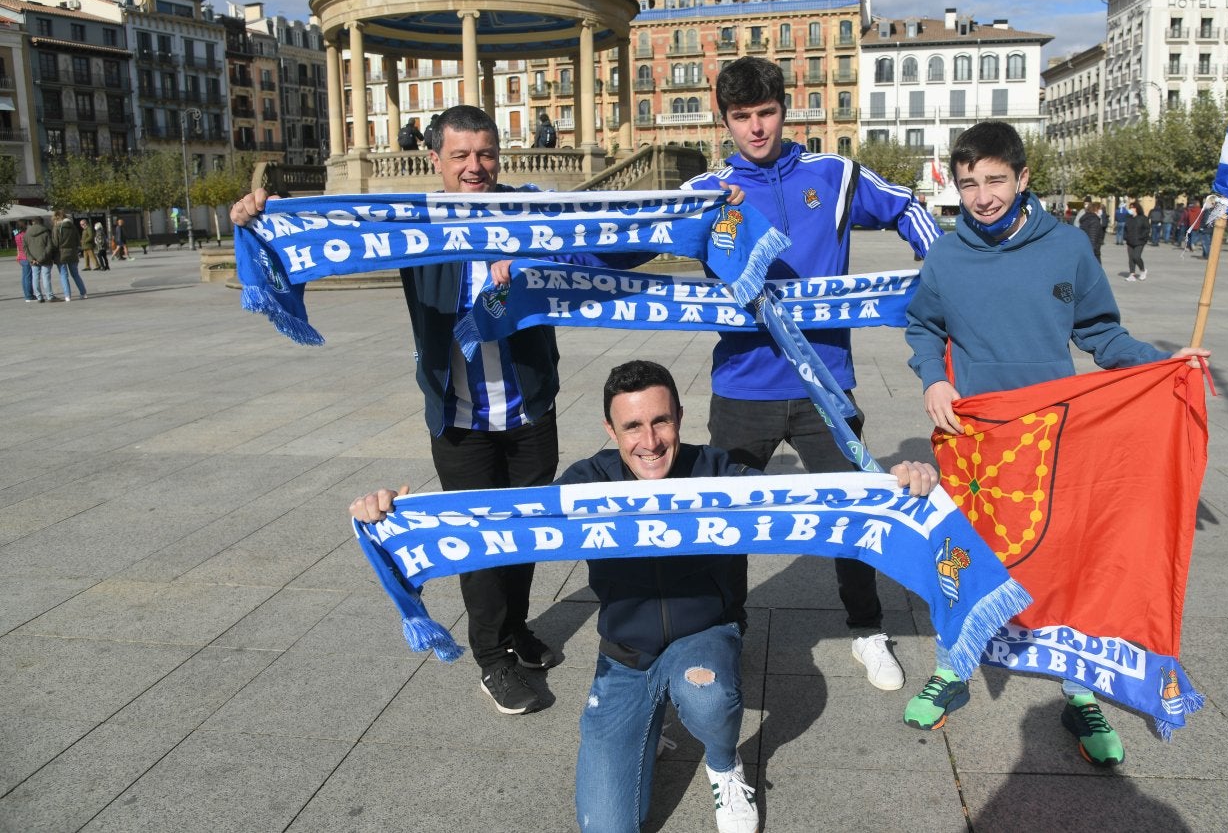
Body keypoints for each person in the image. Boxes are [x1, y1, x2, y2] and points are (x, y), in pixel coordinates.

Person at [351, 360, 939, 833]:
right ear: (611, 431)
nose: (649, 441)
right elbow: (501, 518)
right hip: (624, 657)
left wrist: (897, 486)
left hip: (703, 636)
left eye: (661, 422)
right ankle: (647, 720)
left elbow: (812, 503)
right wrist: (394, 516)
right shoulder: (587, 480)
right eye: (632, 426)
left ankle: (723, 764)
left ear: (681, 418)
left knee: (706, 697)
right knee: (606, 825)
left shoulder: (719, 469)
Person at [231, 104, 674, 718]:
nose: (475, 167)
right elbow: (324, 235)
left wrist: (689, 212)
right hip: (460, 424)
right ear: (435, 159)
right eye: (461, 155)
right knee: (481, 544)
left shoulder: (528, 213)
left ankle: (515, 629)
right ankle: (493, 660)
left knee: (522, 539)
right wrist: (263, 220)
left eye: (486, 154)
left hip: (529, 416)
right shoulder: (414, 223)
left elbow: (600, 238)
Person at [903, 120, 1210, 767]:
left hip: (1055, 437)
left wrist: (1165, 365)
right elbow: (923, 324)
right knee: (964, 561)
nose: (982, 196)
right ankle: (952, 667)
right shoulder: (946, 256)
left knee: (1069, 564)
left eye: (993, 180)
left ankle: (1082, 688)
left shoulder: (1067, 247)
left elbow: (1103, 335)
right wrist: (932, 377)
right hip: (975, 443)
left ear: (1022, 178)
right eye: (968, 184)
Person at [680, 57, 938, 694]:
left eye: (766, 113)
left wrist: (942, 264)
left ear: (784, 110)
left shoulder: (836, 174)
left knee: (854, 512)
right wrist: (546, 259)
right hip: (742, 387)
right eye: (741, 118)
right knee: (725, 520)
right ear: (726, 121)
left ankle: (867, 630)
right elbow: (629, 238)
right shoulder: (707, 192)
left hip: (826, 384)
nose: (756, 129)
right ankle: (725, 629)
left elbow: (908, 207)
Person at [52, 210, 88, 301]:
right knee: (75, 274)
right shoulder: (72, 227)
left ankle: (67, 295)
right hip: (72, 252)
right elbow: (77, 240)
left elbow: (55, 243)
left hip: (61, 254)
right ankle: (83, 293)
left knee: (64, 275)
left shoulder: (57, 228)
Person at [24, 217, 56, 302]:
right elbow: (49, 246)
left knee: (35, 278)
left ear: (33, 223)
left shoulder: (27, 233)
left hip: (33, 260)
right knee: (46, 277)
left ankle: (39, 297)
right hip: (45, 259)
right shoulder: (46, 232)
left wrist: (31, 259)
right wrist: (41, 258)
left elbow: (25, 248)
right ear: (42, 223)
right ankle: (49, 296)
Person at [1124, 200, 1150, 281]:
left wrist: (1142, 237)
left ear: (1137, 208)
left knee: (1136, 257)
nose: (1131, 209)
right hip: (1130, 240)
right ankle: (1132, 274)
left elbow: (1147, 229)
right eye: (1130, 207)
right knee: (1131, 258)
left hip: (1139, 241)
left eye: (1133, 208)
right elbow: (1126, 229)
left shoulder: (1143, 218)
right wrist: (1126, 237)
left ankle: (1143, 270)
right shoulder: (1129, 218)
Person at [15, 223, 37, 302]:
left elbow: (18, 247)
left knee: (24, 277)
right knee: (28, 277)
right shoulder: (26, 235)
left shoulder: (17, 235)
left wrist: (18, 256)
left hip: (21, 257)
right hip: (26, 257)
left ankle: (27, 294)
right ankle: (29, 296)